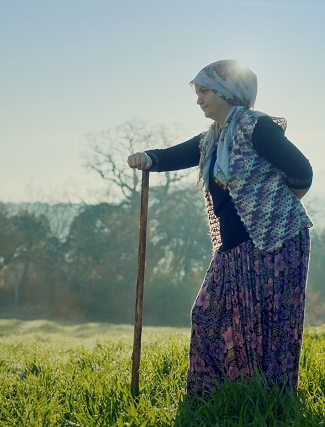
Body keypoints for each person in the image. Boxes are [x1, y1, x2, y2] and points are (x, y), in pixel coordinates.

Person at [127, 59, 313, 396]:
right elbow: (175, 155)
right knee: (207, 315)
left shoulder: (257, 127)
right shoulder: (212, 138)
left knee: (267, 327)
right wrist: (148, 158)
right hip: (234, 246)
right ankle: (212, 395)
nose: (198, 99)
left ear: (228, 92)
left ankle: (267, 399)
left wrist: (274, 207)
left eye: (204, 91)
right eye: (197, 92)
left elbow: (302, 172)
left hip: (276, 242)